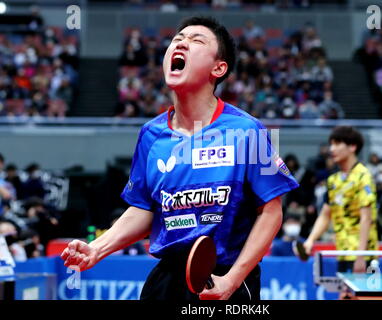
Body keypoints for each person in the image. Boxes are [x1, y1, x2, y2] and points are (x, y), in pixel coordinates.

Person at [61, 16, 299, 301]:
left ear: (218, 68)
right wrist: (97, 248)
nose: (182, 43)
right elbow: (144, 209)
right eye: (177, 39)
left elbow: (271, 212)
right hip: (166, 278)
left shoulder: (247, 131)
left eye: (196, 40)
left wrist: (232, 281)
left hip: (223, 278)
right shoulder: (151, 134)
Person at [303, 126, 379, 274]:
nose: (332, 149)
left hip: (363, 256)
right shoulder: (333, 181)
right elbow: (325, 215)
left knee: (365, 297)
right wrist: (310, 240)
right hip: (342, 253)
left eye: (337, 144)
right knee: (344, 297)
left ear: (352, 147)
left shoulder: (363, 177)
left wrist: (361, 256)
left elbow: (366, 218)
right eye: (331, 144)